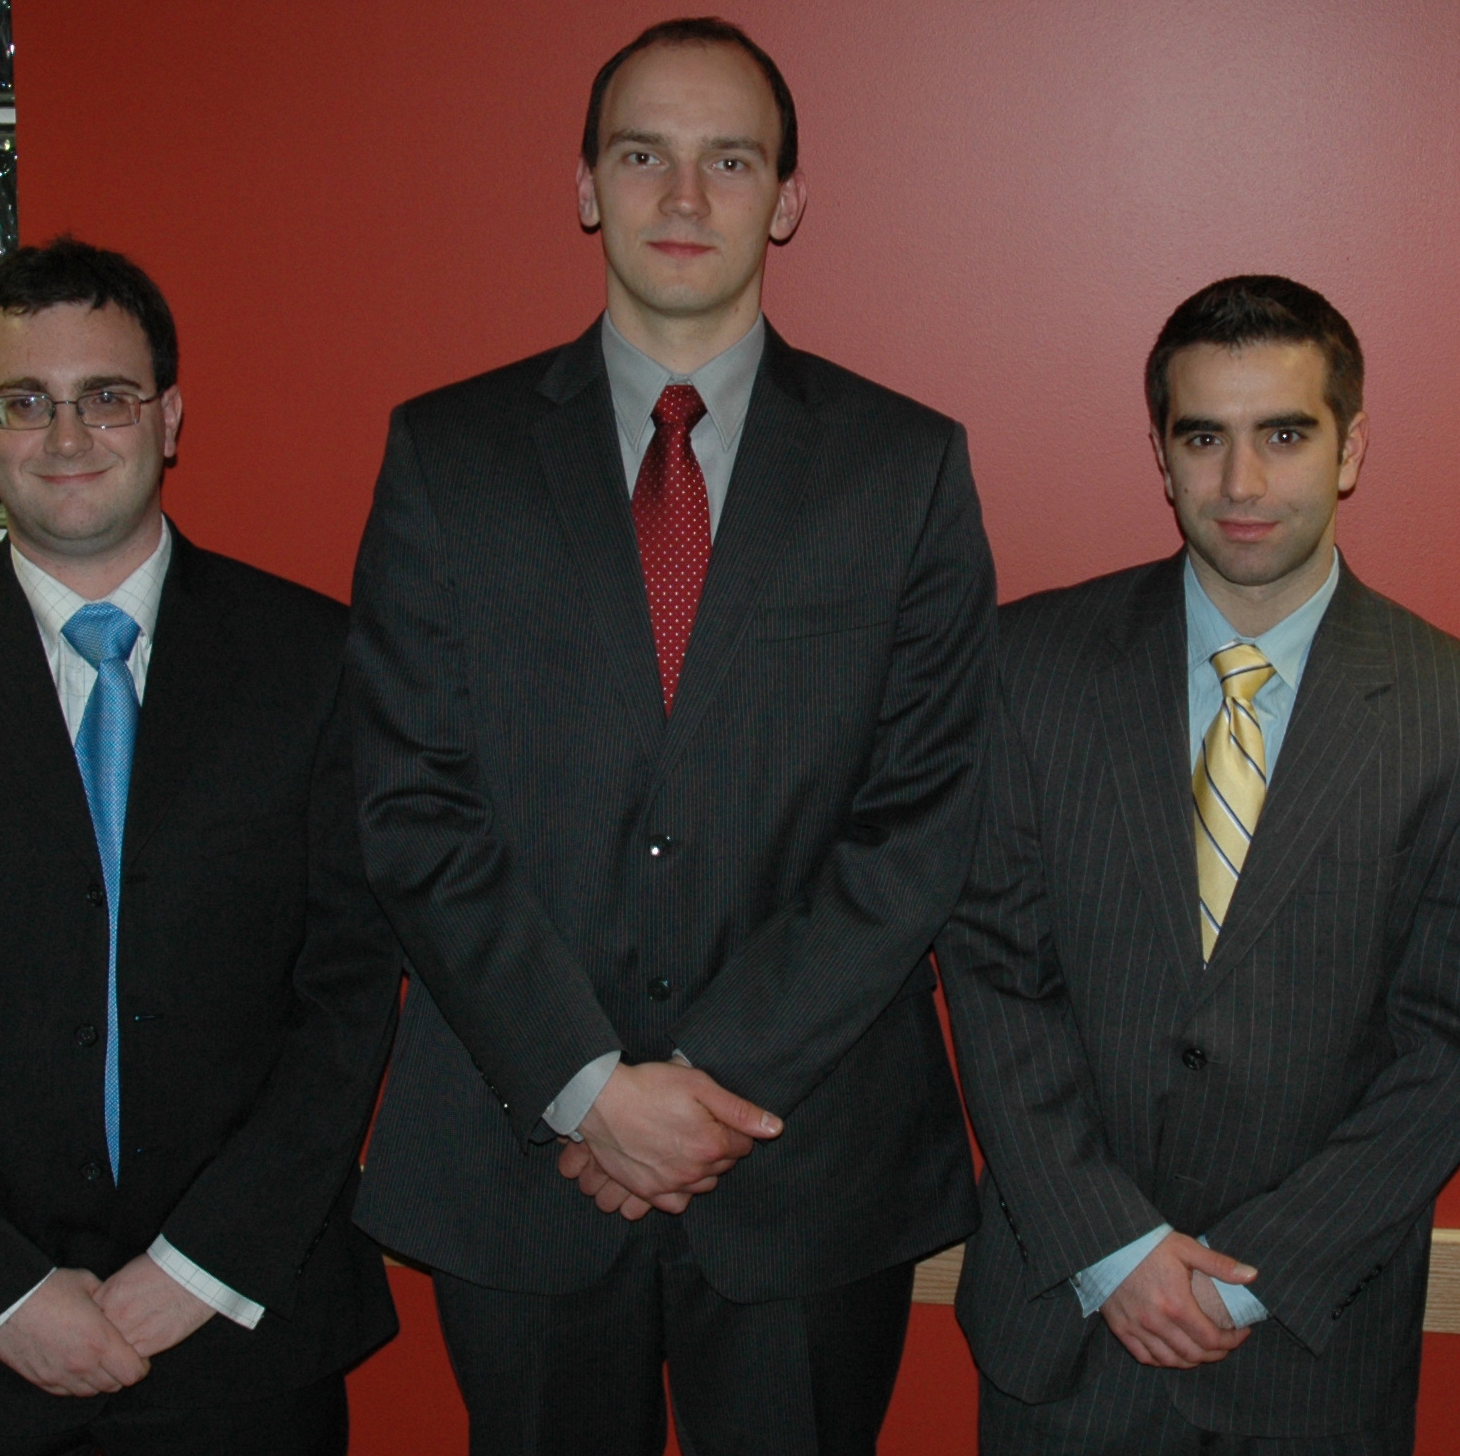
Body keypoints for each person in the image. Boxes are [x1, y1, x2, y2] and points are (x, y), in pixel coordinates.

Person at [345, 17, 992, 1456]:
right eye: (644, 156)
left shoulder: (905, 467)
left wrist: (709, 1087)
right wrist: (586, 1085)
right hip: (519, 1158)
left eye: (730, 161)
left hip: (807, 1167)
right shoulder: (447, 457)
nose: (685, 197)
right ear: (586, 184)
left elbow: (922, 816)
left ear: (788, 200)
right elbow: (408, 800)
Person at [0, 236, 401, 1454]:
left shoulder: (314, 663)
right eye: (26, 402)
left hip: (240, 1345)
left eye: (106, 397)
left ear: (169, 417)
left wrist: (200, 1266)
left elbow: (346, 997)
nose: (67, 436)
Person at [940, 274, 1460, 1454]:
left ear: (1351, 447)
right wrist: (1111, 1244)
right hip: (1068, 1327)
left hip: (1309, 1347)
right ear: (1160, 455)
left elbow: (1449, 1038)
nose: (1241, 483)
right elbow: (995, 974)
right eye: (1203, 437)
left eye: (1285, 435)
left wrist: (1259, 1271)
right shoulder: (1026, 666)